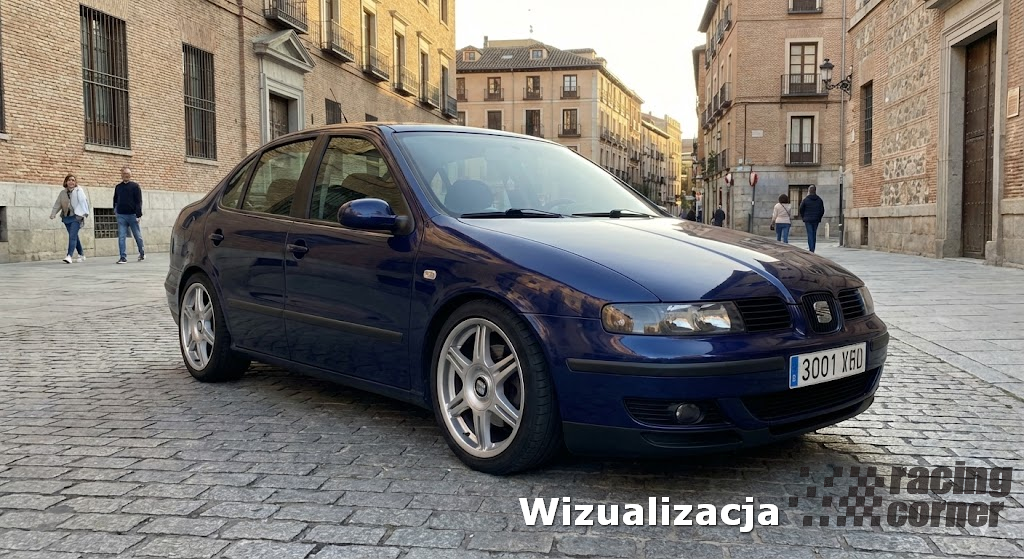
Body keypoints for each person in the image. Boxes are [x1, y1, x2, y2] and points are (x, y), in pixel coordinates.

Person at [49, 174, 90, 264]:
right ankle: (81, 254)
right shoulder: (62, 193)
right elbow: (58, 204)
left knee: (72, 236)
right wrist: (53, 213)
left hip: (77, 217)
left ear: (75, 182)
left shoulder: (79, 191)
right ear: (66, 182)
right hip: (67, 218)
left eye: (73, 180)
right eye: (69, 180)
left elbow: (84, 202)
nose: (71, 182)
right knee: (74, 236)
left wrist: (84, 213)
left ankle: (69, 256)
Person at [113, 166, 145, 263]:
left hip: (132, 215)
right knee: (121, 236)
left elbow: (138, 201)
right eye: (124, 174)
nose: (126, 175)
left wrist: (138, 215)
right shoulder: (118, 187)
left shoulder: (135, 186)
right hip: (121, 215)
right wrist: (115, 210)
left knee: (137, 236)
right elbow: (115, 200)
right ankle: (123, 257)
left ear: (130, 175)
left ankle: (142, 253)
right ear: (121, 175)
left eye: (127, 174)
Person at [799, 185, 825, 252]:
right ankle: (813, 247)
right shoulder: (819, 200)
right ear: (815, 191)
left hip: (808, 219)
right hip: (816, 219)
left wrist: (803, 217)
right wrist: (819, 217)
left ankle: (811, 249)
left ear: (809, 191)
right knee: (814, 233)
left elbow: (801, 209)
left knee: (810, 233)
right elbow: (822, 210)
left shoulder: (805, 200)